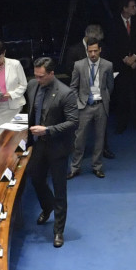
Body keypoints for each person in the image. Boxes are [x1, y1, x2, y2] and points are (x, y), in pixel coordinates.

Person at [27, 58, 78, 247]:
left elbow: (73, 122)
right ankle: (47, 206)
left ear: (51, 74)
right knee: (36, 179)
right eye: (36, 75)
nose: (37, 79)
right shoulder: (33, 85)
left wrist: (47, 130)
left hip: (57, 147)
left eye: (41, 76)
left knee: (59, 190)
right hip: (38, 145)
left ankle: (58, 231)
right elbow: (31, 112)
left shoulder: (66, 93)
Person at [68, 37, 115, 178]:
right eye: (90, 51)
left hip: (100, 105)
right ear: (86, 51)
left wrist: (105, 98)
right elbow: (73, 86)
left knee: (100, 139)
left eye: (95, 51)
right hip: (84, 106)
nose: (93, 54)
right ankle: (75, 167)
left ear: (100, 50)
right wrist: (78, 103)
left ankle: (97, 166)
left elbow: (110, 85)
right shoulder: (78, 65)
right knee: (79, 139)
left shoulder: (108, 65)